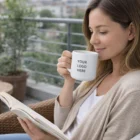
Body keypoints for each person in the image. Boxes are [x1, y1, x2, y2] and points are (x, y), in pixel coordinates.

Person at [0, 0, 140, 139]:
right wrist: (69, 80)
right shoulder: (101, 76)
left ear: (131, 31)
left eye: (102, 31)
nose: (92, 40)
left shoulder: (133, 89)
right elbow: (62, 123)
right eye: (91, 31)